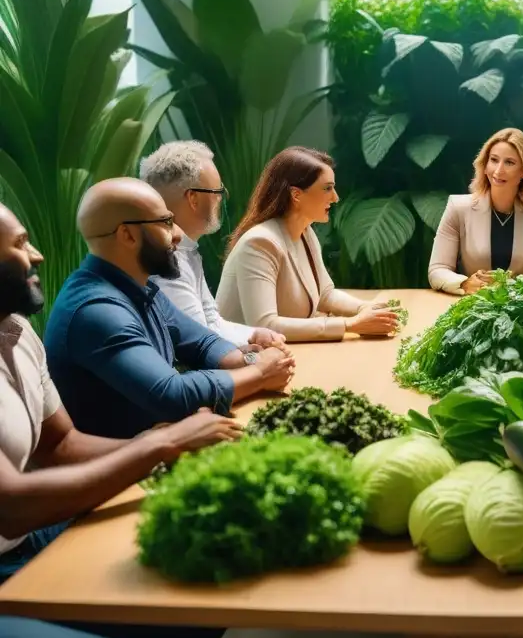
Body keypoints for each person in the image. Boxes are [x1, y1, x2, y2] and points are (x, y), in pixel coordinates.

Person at [0, 201, 238, 638]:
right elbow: (10, 507)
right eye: (21, 244)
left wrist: (170, 445)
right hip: (14, 540)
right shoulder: (94, 306)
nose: (39, 255)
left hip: (23, 541)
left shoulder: (18, 331)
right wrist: (158, 446)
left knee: (207, 584)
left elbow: (62, 445)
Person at [43, 178, 295, 440]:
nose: (177, 234)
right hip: (122, 471)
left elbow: (201, 342)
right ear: (127, 235)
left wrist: (248, 359)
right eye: (165, 223)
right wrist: (260, 373)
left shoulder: (140, 286)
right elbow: (172, 394)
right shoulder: (97, 310)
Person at [217, 147, 400, 341]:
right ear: (296, 195)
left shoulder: (305, 231)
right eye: (327, 188)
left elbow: (325, 294)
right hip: (243, 359)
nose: (335, 197)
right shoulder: (259, 243)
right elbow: (265, 325)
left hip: (281, 353)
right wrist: (350, 325)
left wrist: (364, 308)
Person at [140, 140, 286, 349]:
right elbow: (198, 342)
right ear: (194, 199)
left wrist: (256, 334)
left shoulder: (187, 251)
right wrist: (252, 354)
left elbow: (212, 321)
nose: (221, 200)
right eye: (218, 192)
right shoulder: (165, 261)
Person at [427, 127, 523, 294]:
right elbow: (437, 269)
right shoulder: (458, 208)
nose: (498, 171)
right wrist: (465, 284)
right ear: (484, 165)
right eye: (494, 160)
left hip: (520, 307)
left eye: (509, 162)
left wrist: (518, 287)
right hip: (473, 307)